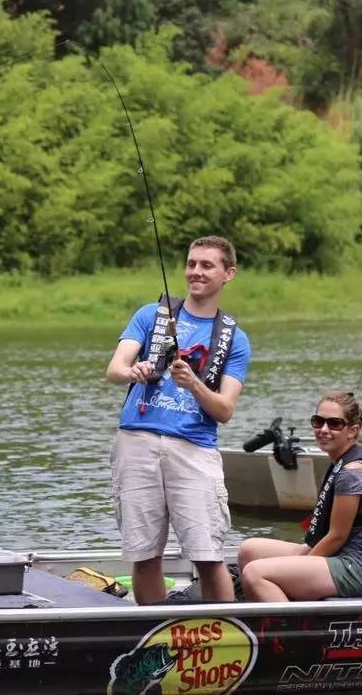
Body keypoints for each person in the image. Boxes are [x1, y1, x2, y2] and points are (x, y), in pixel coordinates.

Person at [105, 236, 251, 604]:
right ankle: (156, 636)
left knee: (207, 554)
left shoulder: (236, 339)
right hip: (136, 442)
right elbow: (114, 368)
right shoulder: (150, 315)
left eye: (207, 265)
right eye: (191, 264)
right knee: (144, 553)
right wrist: (132, 371)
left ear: (228, 274)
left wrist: (195, 384)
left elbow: (225, 410)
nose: (195, 272)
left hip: (194, 448)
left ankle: (227, 634)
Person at [237, 392, 362, 601]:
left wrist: (299, 567)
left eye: (334, 424)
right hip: (339, 557)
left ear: (353, 431)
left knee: (255, 573)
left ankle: (290, 629)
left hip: (360, 568)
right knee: (249, 550)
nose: (323, 430)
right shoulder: (341, 462)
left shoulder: (354, 472)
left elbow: (337, 536)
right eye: (318, 422)